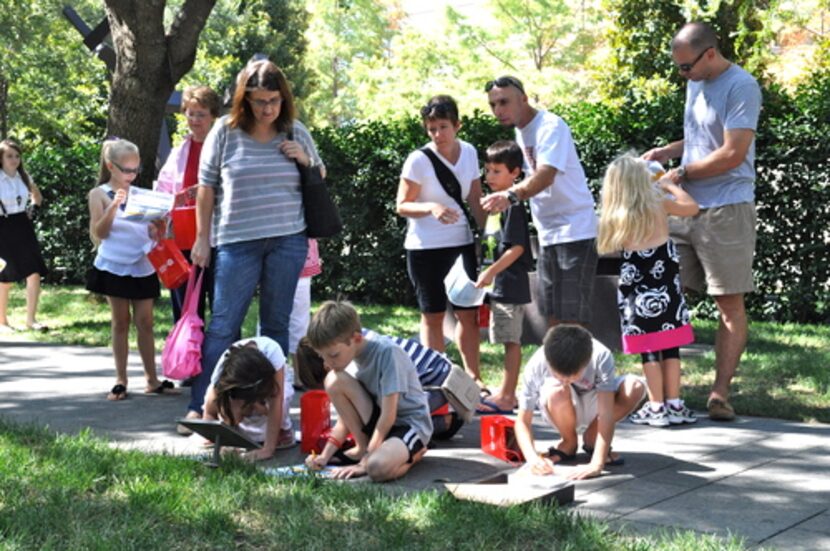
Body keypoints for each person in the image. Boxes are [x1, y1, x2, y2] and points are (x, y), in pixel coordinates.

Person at [185, 60, 323, 425]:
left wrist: (305, 159)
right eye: (259, 101)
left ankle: (266, 411)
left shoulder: (295, 131)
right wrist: (202, 238)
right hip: (236, 241)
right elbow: (207, 186)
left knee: (275, 327)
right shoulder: (225, 132)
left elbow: (320, 175)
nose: (267, 109)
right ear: (244, 100)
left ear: (284, 99)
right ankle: (204, 406)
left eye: (274, 100)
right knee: (224, 325)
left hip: (288, 241)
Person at [642, 22, 762, 421]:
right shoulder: (696, 80)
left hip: (727, 209)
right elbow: (698, 138)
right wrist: (667, 151)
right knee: (661, 288)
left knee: (728, 302)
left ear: (710, 53)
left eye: (686, 67)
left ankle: (719, 393)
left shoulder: (741, 86)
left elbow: (731, 153)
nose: (682, 74)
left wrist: (682, 173)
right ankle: (662, 392)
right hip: (686, 207)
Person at [481, 76, 598, 328]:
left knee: (572, 317)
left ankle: (582, 368)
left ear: (523, 99)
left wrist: (510, 195)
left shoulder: (550, 126)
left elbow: (546, 174)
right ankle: (559, 368)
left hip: (574, 230)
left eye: (504, 102)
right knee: (552, 315)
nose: (498, 110)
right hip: (547, 233)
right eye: (493, 105)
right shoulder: (520, 132)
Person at [597, 155, 700, 426]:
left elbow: (605, 246)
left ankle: (656, 407)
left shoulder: (616, 215)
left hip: (636, 291)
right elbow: (691, 207)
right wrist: (669, 185)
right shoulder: (658, 204)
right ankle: (675, 404)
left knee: (649, 347)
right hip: (666, 285)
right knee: (670, 344)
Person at [395, 95, 486, 387]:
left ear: (457, 125)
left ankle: (473, 377)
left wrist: (486, 235)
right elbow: (402, 205)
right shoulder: (418, 160)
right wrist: (430, 208)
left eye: (443, 127)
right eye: (431, 128)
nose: (438, 134)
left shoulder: (470, 152)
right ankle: (438, 379)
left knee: (468, 314)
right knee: (433, 315)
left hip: (460, 244)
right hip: (424, 249)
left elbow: (474, 197)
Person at [86, 138, 179, 401]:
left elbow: (153, 231)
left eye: (135, 170)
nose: (131, 175)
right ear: (110, 166)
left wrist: (159, 228)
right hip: (114, 264)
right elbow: (99, 232)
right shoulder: (99, 194)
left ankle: (152, 378)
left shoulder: (142, 195)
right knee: (120, 322)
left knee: (146, 321)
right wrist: (114, 205)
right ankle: (121, 379)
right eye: (126, 169)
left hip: (142, 264)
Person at [303, 300, 433, 482]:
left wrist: (365, 462)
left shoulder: (388, 353)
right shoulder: (346, 359)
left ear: (356, 338)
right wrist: (324, 456)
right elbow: (344, 419)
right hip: (378, 422)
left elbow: (389, 415)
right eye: (322, 356)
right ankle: (364, 448)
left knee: (376, 469)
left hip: (408, 425)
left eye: (332, 355)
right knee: (333, 380)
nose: (327, 363)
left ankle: (415, 454)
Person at [514, 324, 646, 480]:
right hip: (560, 406)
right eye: (559, 375)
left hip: (595, 402)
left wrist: (597, 464)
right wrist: (532, 458)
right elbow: (522, 421)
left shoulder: (601, 355)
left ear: (586, 361)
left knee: (635, 387)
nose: (566, 379)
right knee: (556, 388)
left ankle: (593, 438)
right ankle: (568, 443)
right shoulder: (537, 363)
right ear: (548, 361)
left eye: (573, 376)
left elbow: (606, 413)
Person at [296, 329, 465, 441]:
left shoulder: (351, 360)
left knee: (388, 424)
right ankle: (444, 420)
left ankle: (443, 422)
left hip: (439, 385)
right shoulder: (347, 343)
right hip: (440, 376)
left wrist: (348, 439)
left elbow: (373, 411)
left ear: (327, 363)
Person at [474, 140, 533, 414]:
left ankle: (508, 395)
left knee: (511, 340)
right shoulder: (494, 207)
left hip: (508, 284)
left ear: (515, 173)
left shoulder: (512, 206)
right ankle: (505, 392)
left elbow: (517, 247)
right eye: (487, 170)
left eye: (497, 170)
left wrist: (490, 272)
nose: (490, 176)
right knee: (503, 338)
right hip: (496, 286)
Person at [155, 85, 221, 325]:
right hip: (183, 240)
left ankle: (221, 361)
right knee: (184, 313)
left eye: (201, 114)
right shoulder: (178, 151)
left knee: (221, 311)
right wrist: (175, 200)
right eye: (190, 114)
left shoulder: (223, 147)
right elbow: (163, 190)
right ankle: (187, 360)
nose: (194, 120)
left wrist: (202, 190)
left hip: (217, 240)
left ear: (213, 116)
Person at [200, 337, 296, 461]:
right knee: (234, 416)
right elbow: (208, 413)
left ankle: (282, 429)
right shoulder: (223, 373)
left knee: (282, 399)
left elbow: (277, 398)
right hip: (238, 392)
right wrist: (225, 439)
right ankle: (240, 427)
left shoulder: (272, 352)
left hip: (270, 387)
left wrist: (268, 449)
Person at [0, 139, 47, 332]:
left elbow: (38, 197)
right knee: (5, 276)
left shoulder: (24, 177)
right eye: (9, 156)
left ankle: (31, 320)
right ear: (1, 158)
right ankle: (2, 322)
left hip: (22, 225)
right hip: (2, 227)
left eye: (17, 156)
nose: (14, 159)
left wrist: (32, 210)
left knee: (34, 273)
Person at [287, 238, 322, 389]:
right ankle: (298, 374)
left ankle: (299, 373)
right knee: (298, 320)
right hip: (298, 251)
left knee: (299, 321)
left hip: (300, 255)